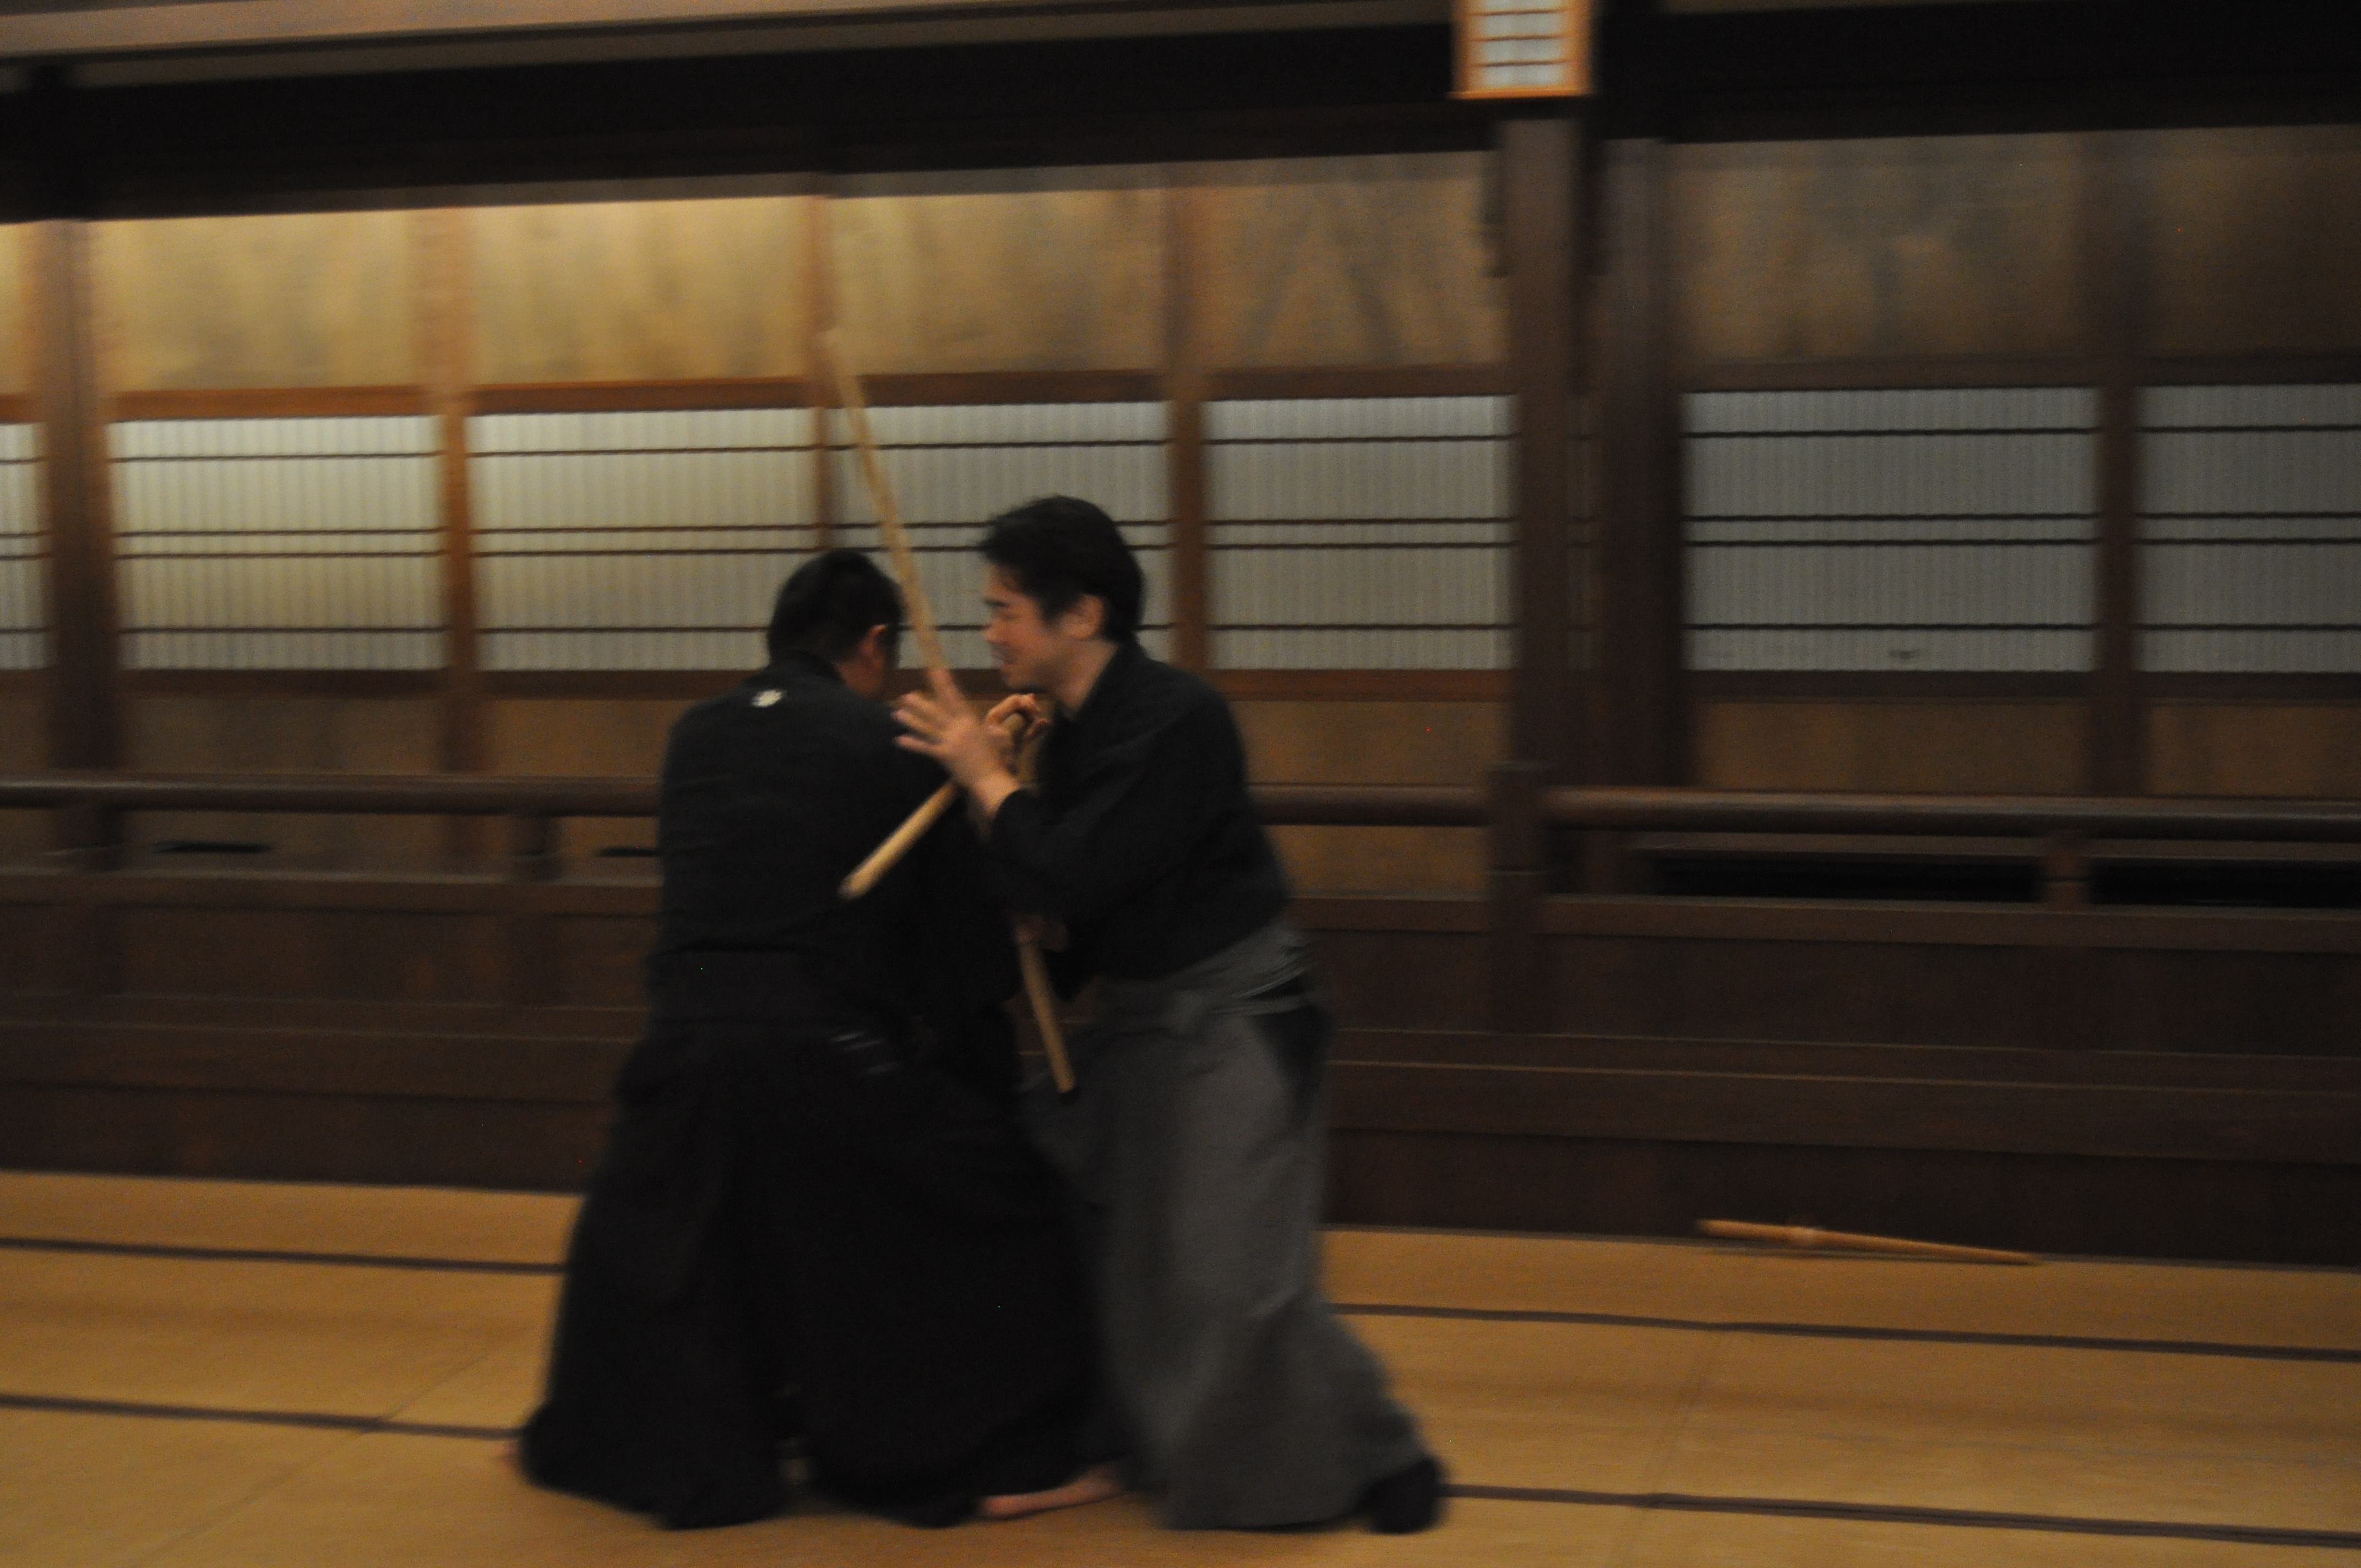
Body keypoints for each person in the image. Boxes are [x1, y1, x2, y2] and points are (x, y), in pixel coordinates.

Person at [519, 548, 1119, 1529]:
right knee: (1004, 1197)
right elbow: (957, 953)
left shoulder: (696, 734)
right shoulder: (891, 738)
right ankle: (984, 1450)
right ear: (875, 644)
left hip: (679, 1053)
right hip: (821, 1058)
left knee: (666, 1224)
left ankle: (635, 1434)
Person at [894, 497, 1445, 1533]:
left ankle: (1366, 1454)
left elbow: (1085, 866)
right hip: (1146, 1023)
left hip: (1239, 1019)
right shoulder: (1068, 740)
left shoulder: (1179, 717)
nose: (991, 630)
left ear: (1081, 614)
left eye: (1006, 609)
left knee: (1234, 1275)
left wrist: (986, 780)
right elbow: (1078, 899)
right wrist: (1040, 921)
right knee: (1083, 1212)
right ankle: (1119, 1443)